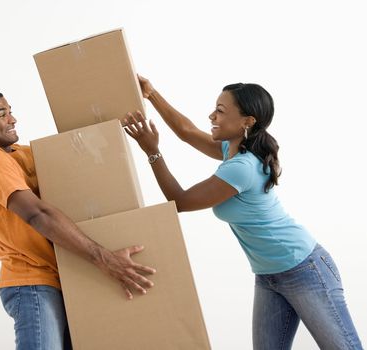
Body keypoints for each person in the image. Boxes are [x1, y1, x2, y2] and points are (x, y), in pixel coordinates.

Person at [124, 76, 363, 350]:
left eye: (221, 111)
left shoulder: (242, 167)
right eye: (215, 108)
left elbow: (179, 201)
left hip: (304, 269)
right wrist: (151, 94)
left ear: (247, 121)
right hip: (267, 276)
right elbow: (187, 131)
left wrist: (152, 152)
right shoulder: (233, 150)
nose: (212, 115)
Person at [0, 88, 156, 350]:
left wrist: (124, 129)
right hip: (32, 282)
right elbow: (37, 214)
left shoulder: (17, 153)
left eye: (11, 111)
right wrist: (105, 259)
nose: (13, 119)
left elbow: (77, 156)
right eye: (2, 114)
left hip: (65, 279)